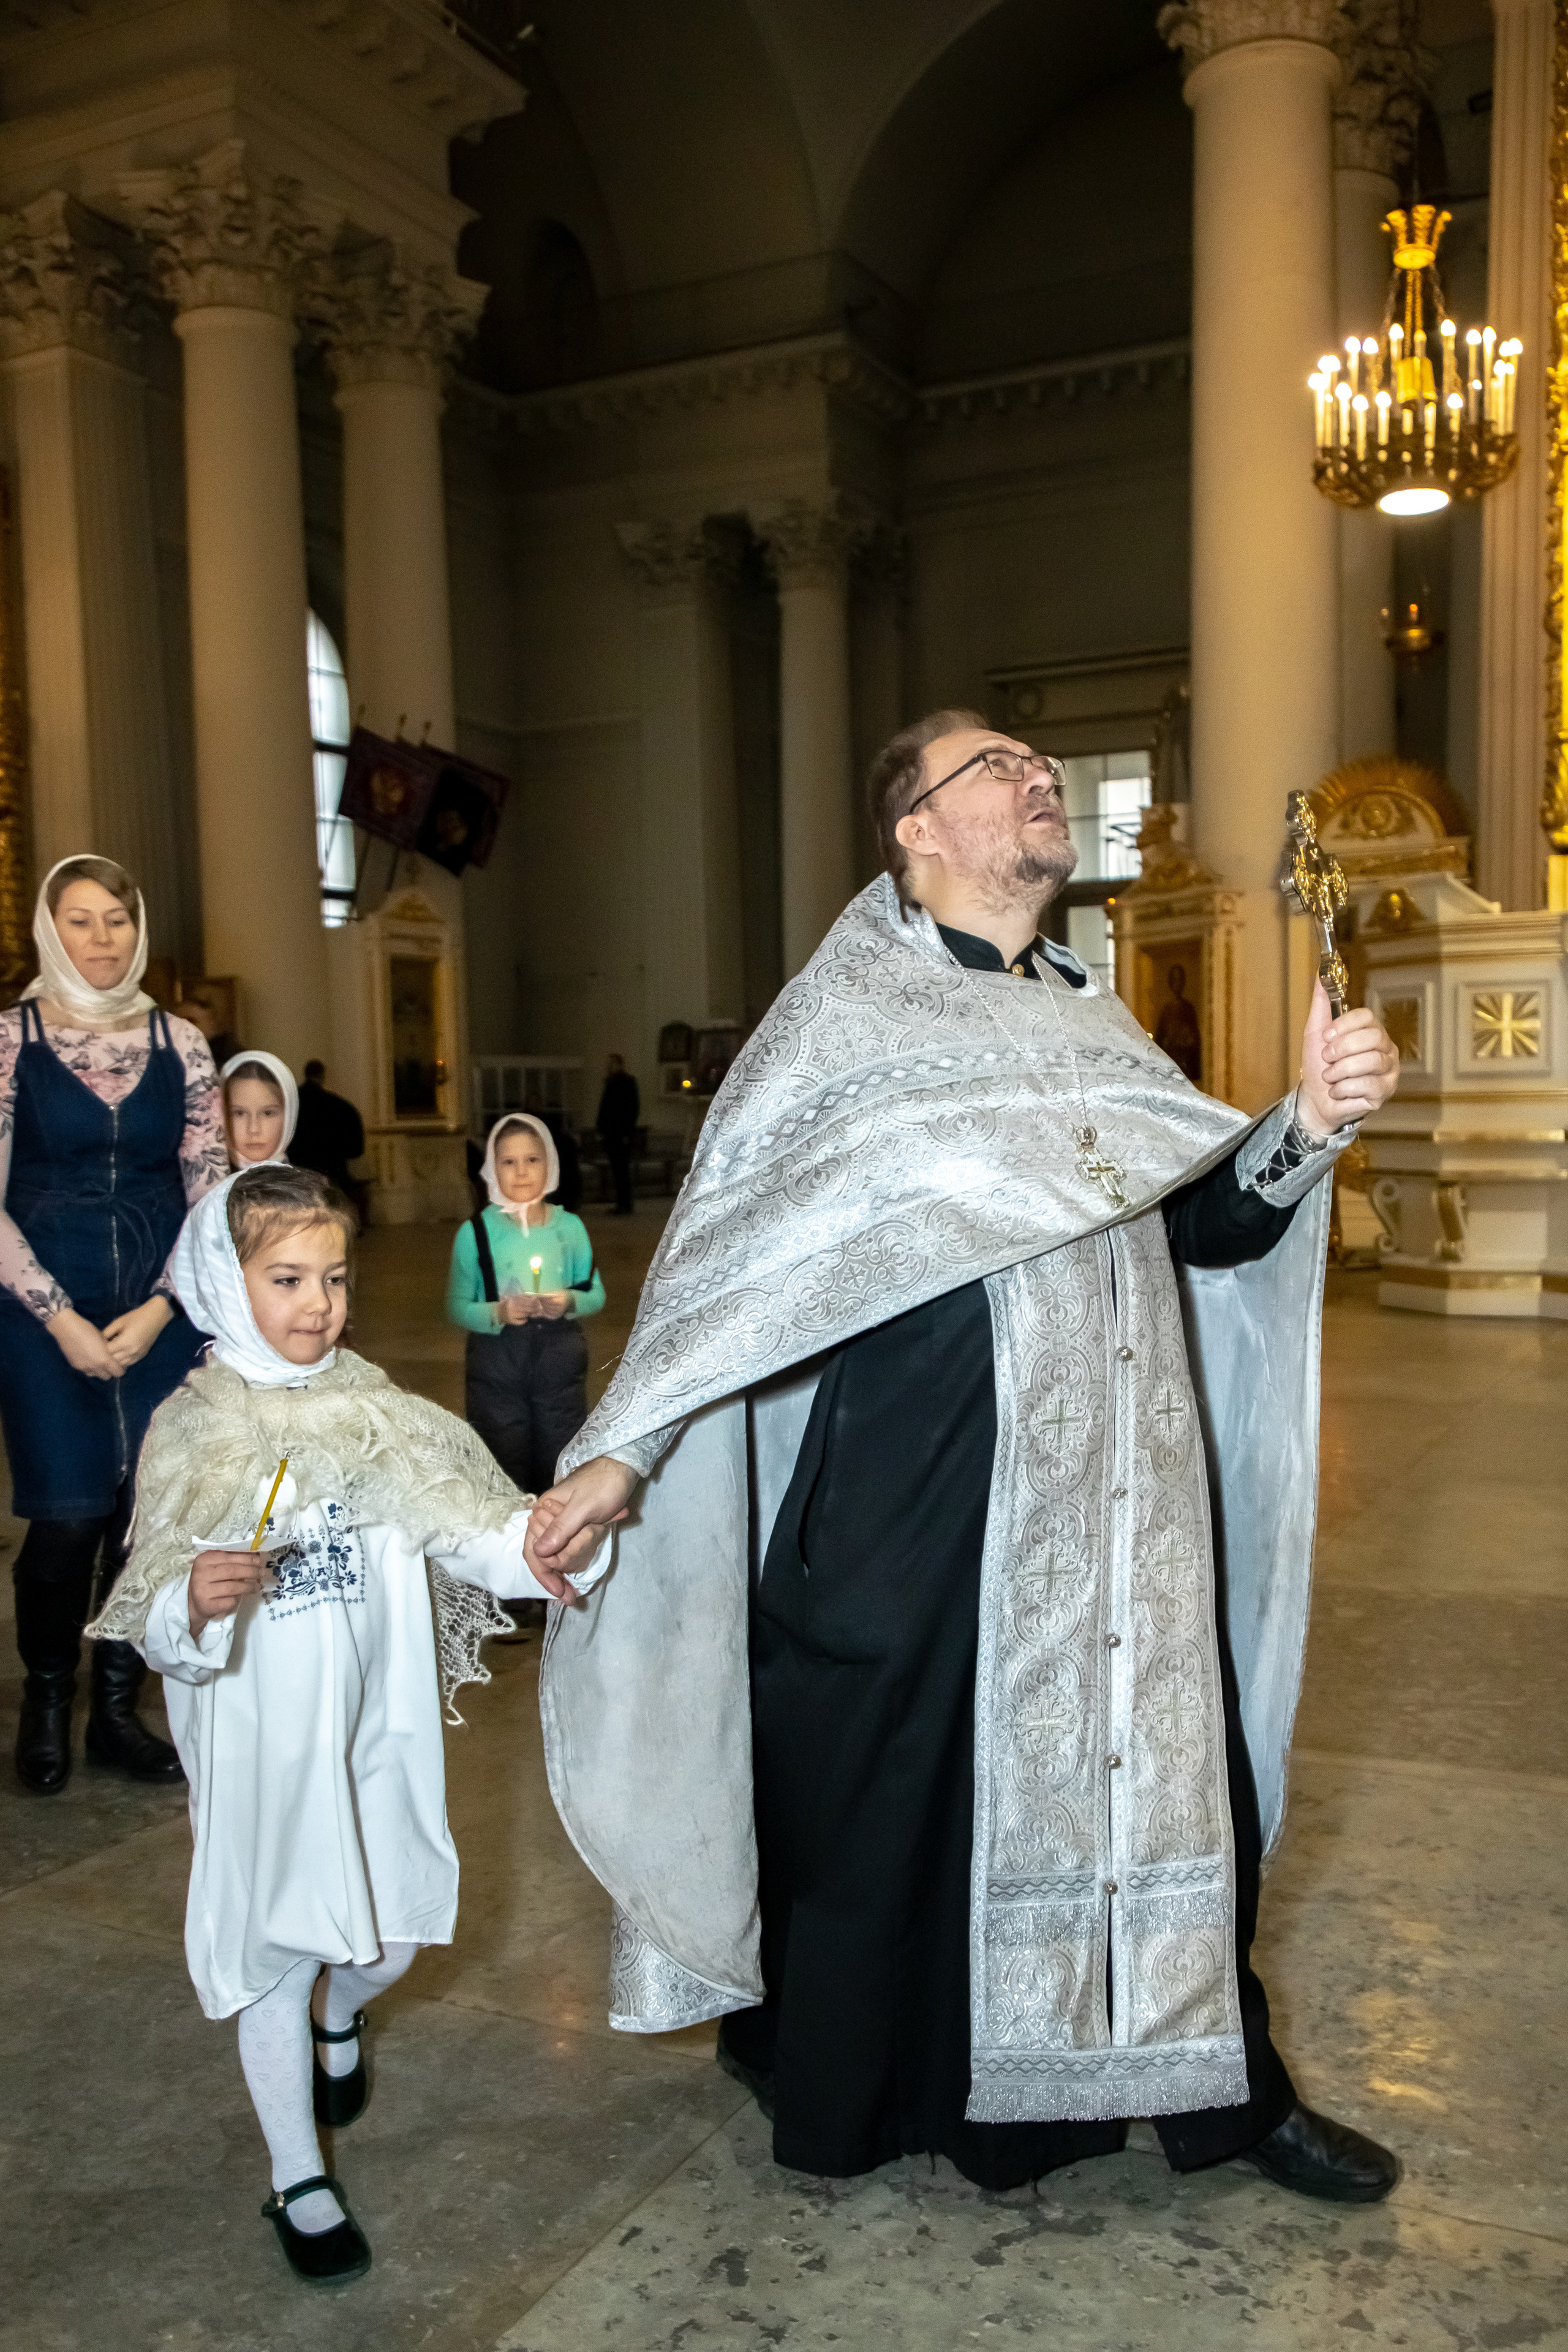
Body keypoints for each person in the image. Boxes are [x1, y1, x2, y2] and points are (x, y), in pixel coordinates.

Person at [525, 710, 1404, 2205]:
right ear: (914, 828)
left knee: (1159, 1784)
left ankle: (1221, 2089)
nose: (1034, 780)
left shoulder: (1091, 1013)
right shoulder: (841, 1019)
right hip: (919, 1498)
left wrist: (1306, 1118)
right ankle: (867, 2070)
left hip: (1124, 1496)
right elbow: (729, 1265)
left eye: (1039, 767)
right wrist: (625, 1450)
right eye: (994, 769)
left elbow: (1196, 1224)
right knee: (891, 1791)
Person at [89, 1164, 609, 2285]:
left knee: (393, 1938)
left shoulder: (374, 1411)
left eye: (333, 1276)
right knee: (279, 1949)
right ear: (228, 1284)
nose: (318, 1302)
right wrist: (191, 1599)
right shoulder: (192, 1430)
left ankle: (343, 2016)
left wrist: (543, 1542)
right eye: (286, 1278)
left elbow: (465, 1528)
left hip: (376, 1732)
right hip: (265, 1748)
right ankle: (297, 2175)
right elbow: (152, 1610)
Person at [1, 854, 228, 1795]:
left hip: (157, 1306)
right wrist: (60, 1320)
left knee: (147, 1514)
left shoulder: (183, 1040)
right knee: (67, 1517)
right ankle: (50, 1700)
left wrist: (166, 1306)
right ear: (52, 931)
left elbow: (209, 1195)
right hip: (35, 1309)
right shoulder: (10, 1039)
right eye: (84, 921)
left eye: (119, 921)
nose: (103, 939)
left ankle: (118, 1711)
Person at [447, 1112, 605, 1514]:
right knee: (504, 1460)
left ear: (549, 1164)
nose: (520, 1173)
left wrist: (568, 1301)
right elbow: (457, 1305)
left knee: (560, 1457)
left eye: (532, 1160)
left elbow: (595, 1293)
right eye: (508, 1162)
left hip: (558, 1366)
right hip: (497, 1369)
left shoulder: (569, 1228)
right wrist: (497, 1311)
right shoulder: (475, 1234)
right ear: (491, 1169)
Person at [290, 1060, 365, 1196]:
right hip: (332, 1178)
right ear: (322, 1076)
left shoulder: (290, 1107)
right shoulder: (341, 1107)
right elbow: (356, 1150)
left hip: (299, 1181)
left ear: (306, 1075)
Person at [221, 1052, 299, 1169]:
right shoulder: (204, 1183)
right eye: (239, 1113)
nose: (253, 1129)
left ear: (289, 1116)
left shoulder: (306, 1186)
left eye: (268, 1113)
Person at [595, 1052, 639, 1215]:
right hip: (611, 1133)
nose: (610, 1067)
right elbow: (605, 1109)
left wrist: (626, 1132)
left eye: (613, 1064)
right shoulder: (611, 1082)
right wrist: (601, 1128)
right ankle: (621, 1203)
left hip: (620, 1133)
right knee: (617, 1170)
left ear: (620, 1065)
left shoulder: (627, 1083)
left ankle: (625, 1204)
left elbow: (632, 1109)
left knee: (622, 1170)